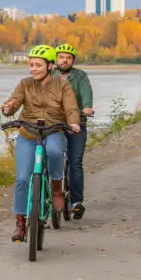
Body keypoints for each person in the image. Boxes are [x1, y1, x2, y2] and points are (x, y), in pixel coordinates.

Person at [2, 45, 82, 242]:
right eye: (31, 65)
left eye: (38, 65)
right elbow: (14, 102)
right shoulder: (25, 84)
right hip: (28, 133)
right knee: (22, 178)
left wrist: (73, 123)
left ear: (50, 66)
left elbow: (71, 107)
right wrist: (8, 108)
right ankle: (21, 222)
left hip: (54, 130)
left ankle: (56, 188)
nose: (33, 69)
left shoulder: (62, 85)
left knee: (55, 152)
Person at [54, 43, 94, 219]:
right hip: (54, 124)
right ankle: (49, 196)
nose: (65, 60)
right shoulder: (48, 76)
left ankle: (77, 202)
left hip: (77, 123)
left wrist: (87, 107)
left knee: (75, 162)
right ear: (56, 59)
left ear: (73, 60)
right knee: (52, 157)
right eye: (61, 57)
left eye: (68, 58)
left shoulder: (80, 76)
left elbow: (86, 94)